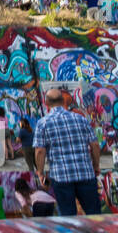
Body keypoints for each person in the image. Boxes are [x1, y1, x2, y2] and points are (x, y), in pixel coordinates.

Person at [33, 87, 101, 216]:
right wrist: (96, 165)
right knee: (94, 214)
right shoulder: (81, 119)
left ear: (46, 103)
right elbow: (95, 145)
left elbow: (40, 151)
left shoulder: (43, 123)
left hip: (61, 177)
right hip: (86, 173)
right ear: (62, 100)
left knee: (68, 216)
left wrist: (40, 172)